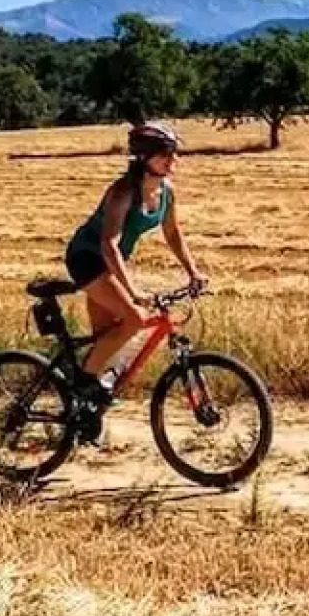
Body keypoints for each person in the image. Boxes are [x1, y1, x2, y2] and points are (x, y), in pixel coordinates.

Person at [62, 120, 206, 435]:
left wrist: (193, 271)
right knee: (135, 318)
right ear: (144, 157)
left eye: (174, 153)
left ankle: (82, 416)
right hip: (88, 258)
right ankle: (82, 384)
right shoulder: (123, 192)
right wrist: (133, 291)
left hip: (112, 263)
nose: (173, 160)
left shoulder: (166, 192)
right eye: (165, 154)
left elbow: (173, 233)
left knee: (107, 341)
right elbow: (108, 244)